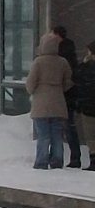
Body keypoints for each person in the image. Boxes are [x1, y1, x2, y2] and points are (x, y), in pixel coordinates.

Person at [26, 32, 74, 169]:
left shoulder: (39, 62)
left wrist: (34, 90)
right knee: (57, 135)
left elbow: (30, 83)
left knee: (43, 135)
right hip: (58, 101)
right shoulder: (62, 62)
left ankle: (41, 161)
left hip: (41, 103)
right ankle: (57, 161)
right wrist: (58, 89)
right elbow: (68, 81)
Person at [52, 25, 82, 167]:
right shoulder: (70, 52)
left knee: (62, 127)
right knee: (69, 126)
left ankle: (64, 157)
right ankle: (75, 157)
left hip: (63, 96)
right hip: (70, 96)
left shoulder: (60, 55)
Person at [73, 40, 95, 170]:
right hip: (88, 104)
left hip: (88, 107)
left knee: (91, 137)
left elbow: (77, 78)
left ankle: (93, 161)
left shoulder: (85, 68)